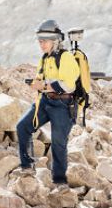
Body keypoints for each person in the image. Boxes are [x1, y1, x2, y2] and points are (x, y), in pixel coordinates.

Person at [15, 19, 80, 185]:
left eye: (44, 41)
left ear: (55, 41)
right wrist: (36, 82)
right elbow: (41, 77)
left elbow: (69, 84)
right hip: (45, 101)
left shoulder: (66, 58)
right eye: (39, 40)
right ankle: (27, 168)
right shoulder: (45, 58)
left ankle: (60, 182)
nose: (41, 44)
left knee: (58, 143)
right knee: (23, 127)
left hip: (63, 105)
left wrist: (44, 85)